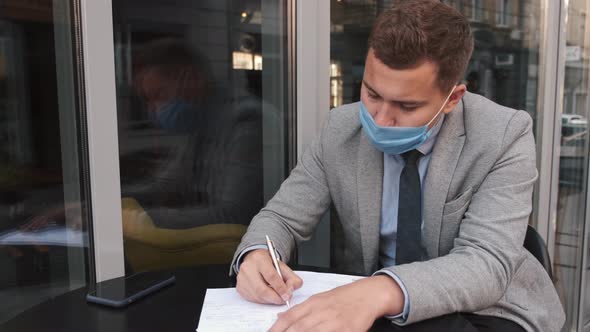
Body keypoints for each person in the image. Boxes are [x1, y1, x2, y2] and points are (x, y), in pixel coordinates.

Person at [231, 1, 565, 331]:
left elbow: (486, 264)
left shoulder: (504, 134)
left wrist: (378, 291)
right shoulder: (340, 129)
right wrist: (259, 253)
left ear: (453, 98)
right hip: (377, 308)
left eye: (407, 105)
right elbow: (282, 216)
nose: (381, 119)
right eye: (372, 94)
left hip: (487, 309)